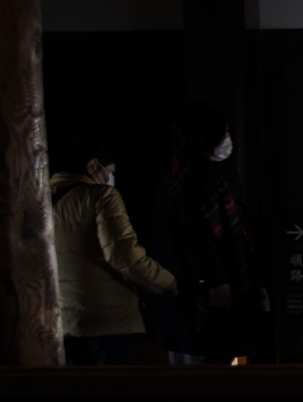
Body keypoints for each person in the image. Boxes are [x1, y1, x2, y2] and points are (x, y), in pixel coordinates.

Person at [148, 102, 268, 364]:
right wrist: (217, 280)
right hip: (208, 289)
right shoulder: (202, 179)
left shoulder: (174, 175)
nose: (228, 138)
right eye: (224, 132)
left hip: (184, 291)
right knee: (212, 362)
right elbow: (200, 237)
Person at [50, 139, 176, 364]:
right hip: (109, 321)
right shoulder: (102, 195)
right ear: (93, 166)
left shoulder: (44, 200)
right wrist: (168, 282)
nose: (110, 178)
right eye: (109, 171)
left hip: (65, 322)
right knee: (118, 384)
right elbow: (124, 255)